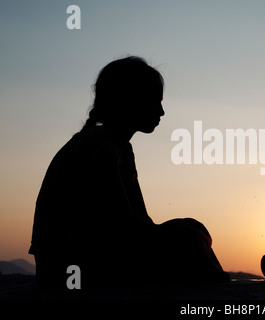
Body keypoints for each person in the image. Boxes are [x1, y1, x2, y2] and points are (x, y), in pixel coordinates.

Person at [29, 56, 229, 290]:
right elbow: (122, 221)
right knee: (187, 238)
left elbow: (140, 219)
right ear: (129, 100)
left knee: (191, 228)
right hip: (69, 266)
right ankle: (212, 278)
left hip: (99, 255)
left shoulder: (123, 149)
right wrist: (179, 240)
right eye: (155, 102)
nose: (162, 112)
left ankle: (206, 273)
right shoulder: (97, 144)